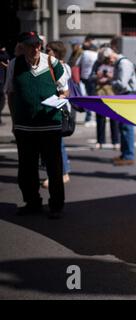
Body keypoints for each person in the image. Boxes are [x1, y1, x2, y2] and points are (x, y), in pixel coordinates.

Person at [5, 32, 67, 219]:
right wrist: (15, 122)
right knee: (26, 169)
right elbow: (10, 93)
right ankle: (32, 202)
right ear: (22, 46)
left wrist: (59, 100)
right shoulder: (15, 64)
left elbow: (64, 91)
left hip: (50, 125)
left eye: (38, 45)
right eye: (31, 45)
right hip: (25, 127)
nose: (35, 49)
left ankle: (56, 205)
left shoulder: (52, 63)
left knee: (54, 169)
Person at [42, 41, 73, 188]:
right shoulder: (52, 65)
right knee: (52, 143)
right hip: (51, 107)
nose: (45, 52)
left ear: (56, 52)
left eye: (48, 50)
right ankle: (59, 172)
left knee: (57, 143)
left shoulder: (61, 67)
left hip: (58, 108)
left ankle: (63, 174)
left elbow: (63, 91)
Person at [102, 47, 136, 166]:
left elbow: (122, 84)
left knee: (126, 126)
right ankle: (124, 154)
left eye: (107, 61)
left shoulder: (123, 63)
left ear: (111, 56)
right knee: (123, 125)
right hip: (124, 96)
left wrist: (110, 81)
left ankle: (128, 155)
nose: (109, 64)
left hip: (127, 95)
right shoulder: (120, 63)